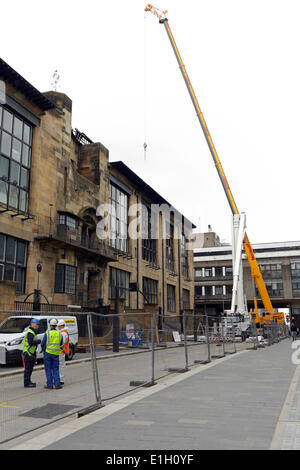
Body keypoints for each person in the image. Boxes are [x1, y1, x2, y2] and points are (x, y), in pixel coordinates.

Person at [41, 318, 63, 389]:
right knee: (56, 369)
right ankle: (57, 384)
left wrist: (44, 351)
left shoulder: (47, 333)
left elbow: (42, 344)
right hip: (56, 354)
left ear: (50, 325)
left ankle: (49, 385)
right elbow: (61, 343)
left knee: (48, 369)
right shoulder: (59, 334)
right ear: (56, 325)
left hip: (48, 353)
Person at [22, 318, 41, 388]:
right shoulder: (30, 332)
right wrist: (38, 341)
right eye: (37, 324)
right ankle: (27, 383)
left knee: (29, 369)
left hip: (30, 353)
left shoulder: (32, 332)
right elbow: (30, 342)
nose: (38, 326)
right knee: (28, 369)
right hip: (28, 353)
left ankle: (29, 381)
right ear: (32, 324)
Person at [58, 319, 70, 385]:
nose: (58, 327)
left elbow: (61, 343)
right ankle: (61, 378)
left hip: (61, 351)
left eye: (59, 326)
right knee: (61, 365)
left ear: (62, 326)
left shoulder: (63, 333)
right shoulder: (65, 332)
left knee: (61, 366)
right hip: (62, 351)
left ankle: (61, 379)